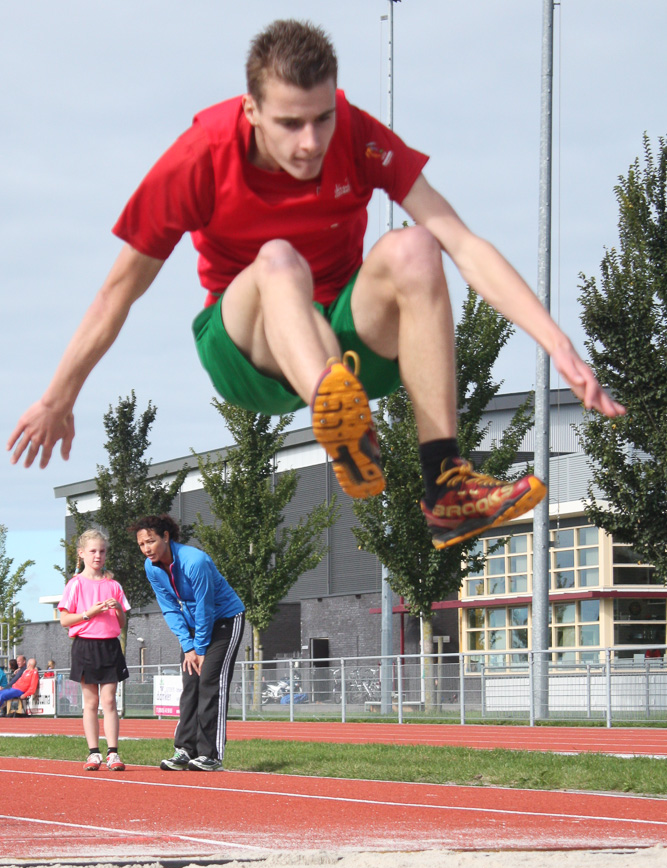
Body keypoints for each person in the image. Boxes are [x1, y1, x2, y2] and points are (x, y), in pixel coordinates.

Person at [7, 19, 625, 550]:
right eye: (290, 123)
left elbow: (463, 244)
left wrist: (554, 340)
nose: (310, 143)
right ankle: (338, 413)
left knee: (415, 245)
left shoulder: (355, 134)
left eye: (322, 119)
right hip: (249, 345)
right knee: (279, 259)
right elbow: (119, 289)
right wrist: (61, 395)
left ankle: (445, 484)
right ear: (251, 111)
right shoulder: (200, 157)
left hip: (346, 332)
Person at [130, 514, 244, 772]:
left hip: (225, 621)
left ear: (166, 537)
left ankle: (210, 754)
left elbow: (205, 607)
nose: (147, 549)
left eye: (151, 541)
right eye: (141, 545)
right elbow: (169, 608)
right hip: (194, 626)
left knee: (209, 682)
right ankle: (185, 749)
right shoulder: (152, 567)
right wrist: (188, 645)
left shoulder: (195, 562)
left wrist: (200, 648)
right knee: (190, 684)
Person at [58, 529, 130, 772]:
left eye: (102, 551)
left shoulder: (113, 585)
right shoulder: (75, 584)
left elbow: (120, 622)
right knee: (91, 702)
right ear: (81, 554)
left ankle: (113, 753)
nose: (98, 555)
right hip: (85, 646)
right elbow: (65, 620)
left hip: (110, 646)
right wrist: (90, 613)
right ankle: (93, 753)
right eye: (93, 551)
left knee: (109, 701)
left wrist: (118, 607)